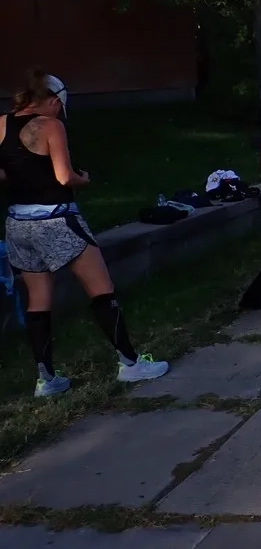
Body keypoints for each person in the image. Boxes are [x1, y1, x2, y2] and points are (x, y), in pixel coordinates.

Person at [0, 71, 169, 398]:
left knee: (38, 299)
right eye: (58, 106)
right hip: (58, 220)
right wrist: (83, 178)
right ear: (51, 100)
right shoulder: (51, 126)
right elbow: (64, 177)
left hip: (18, 223)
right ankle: (130, 364)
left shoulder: (1, 123)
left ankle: (45, 380)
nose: (60, 112)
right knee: (101, 289)